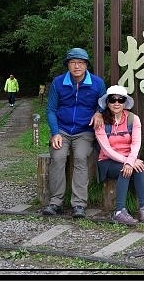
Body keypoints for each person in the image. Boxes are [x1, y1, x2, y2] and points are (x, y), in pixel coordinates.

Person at [42, 48, 107, 218]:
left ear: (86, 65)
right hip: (62, 130)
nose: (76, 66)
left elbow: (104, 101)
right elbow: (50, 109)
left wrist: (99, 112)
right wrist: (55, 133)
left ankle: (79, 204)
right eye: (72, 62)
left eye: (80, 62)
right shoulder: (58, 82)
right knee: (58, 157)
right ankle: (55, 202)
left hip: (84, 130)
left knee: (80, 157)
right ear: (67, 65)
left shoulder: (97, 83)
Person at [94, 85, 144, 225]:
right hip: (107, 161)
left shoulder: (133, 119)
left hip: (128, 158)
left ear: (125, 102)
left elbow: (136, 144)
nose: (116, 103)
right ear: (107, 102)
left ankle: (143, 208)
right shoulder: (100, 121)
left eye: (120, 100)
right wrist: (128, 162)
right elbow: (106, 149)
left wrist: (130, 161)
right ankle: (119, 211)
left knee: (139, 167)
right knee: (125, 169)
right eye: (112, 99)